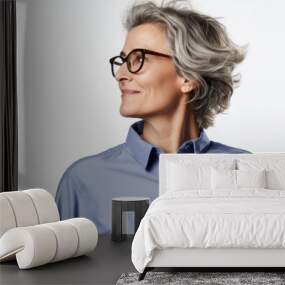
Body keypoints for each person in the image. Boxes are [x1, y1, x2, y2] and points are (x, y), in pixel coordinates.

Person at [55, 0, 250, 234]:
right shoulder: (83, 180)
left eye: (139, 59)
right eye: (123, 61)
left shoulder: (244, 171)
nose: (120, 74)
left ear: (187, 77)